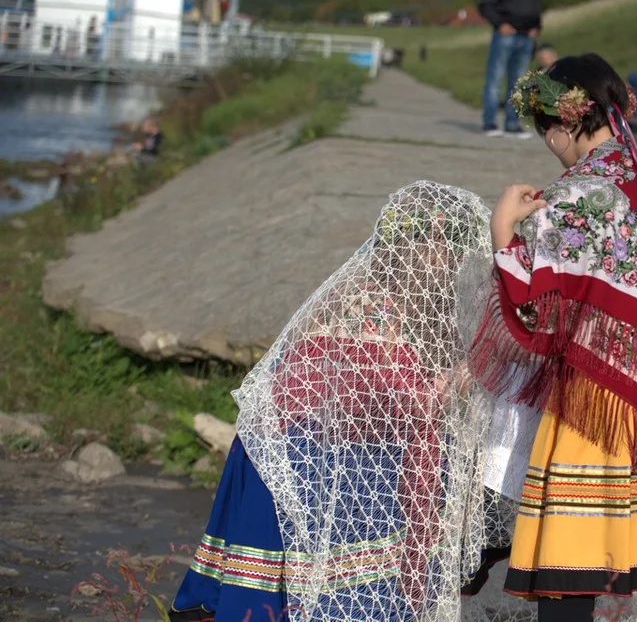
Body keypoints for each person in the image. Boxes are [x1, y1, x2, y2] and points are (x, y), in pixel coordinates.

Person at [469, 54, 637, 619]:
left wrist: (502, 230)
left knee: (567, 560)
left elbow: (533, 308)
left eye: (548, 129)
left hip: (605, 390)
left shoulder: (575, 196)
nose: (550, 142)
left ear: (568, 123)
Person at [167, 183, 506, 621]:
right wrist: (471, 369)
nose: (450, 259)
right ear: (405, 247)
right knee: (276, 601)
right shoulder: (366, 305)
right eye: (435, 244)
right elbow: (416, 402)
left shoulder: (414, 303)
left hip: (342, 451)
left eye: (453, 245)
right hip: (293, 459)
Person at [479, 0, 543, 139]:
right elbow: (486, 4)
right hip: (506, 34)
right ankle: (489, 121)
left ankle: (512, 123)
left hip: (527, 36)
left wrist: (537, 26)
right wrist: (500, 24)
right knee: (495, 78)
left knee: (518, 83)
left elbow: (536, 4)